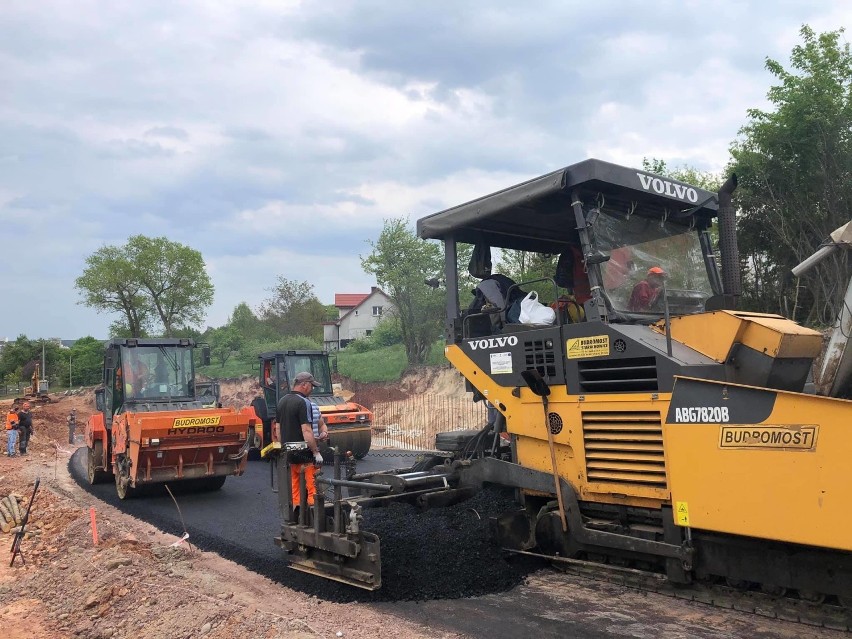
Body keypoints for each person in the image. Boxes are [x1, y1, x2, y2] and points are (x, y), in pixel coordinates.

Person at [275, 371, 327, 518]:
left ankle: (297, 516)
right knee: (313, 487)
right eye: (311, 385)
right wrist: (316, 452)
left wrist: (284, 447)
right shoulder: (303, 402)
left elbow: (278, 429)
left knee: (296, 487)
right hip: (305, 455)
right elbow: (306, 430)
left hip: (291, 453)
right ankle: (315, 517)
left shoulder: (282, 401)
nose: (312, 389)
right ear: (304, 385)